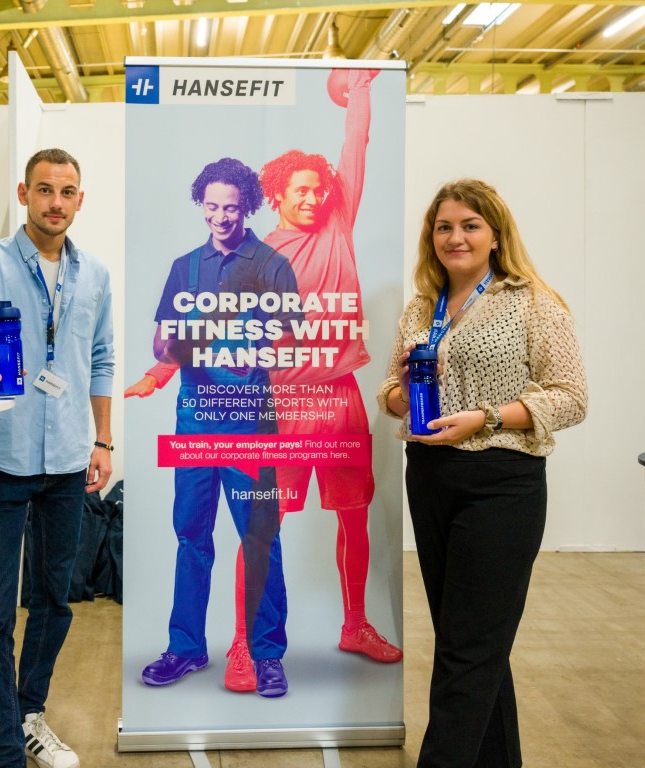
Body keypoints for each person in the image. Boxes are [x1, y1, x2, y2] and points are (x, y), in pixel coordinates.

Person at [377, 178, 587, 767]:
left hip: (501, 482)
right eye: (444, 227)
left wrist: (487, 417)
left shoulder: (532, 301)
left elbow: (571, 397)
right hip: (430, 476)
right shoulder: (423, 306)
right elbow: (390, 388)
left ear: (495, 235)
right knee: (469, 642)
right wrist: (402, 395)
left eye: (470, 225)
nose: (456, 237)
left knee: (467, 651)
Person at [223, 68, 401, 683]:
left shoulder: (338, 223)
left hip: (341, 396)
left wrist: (362, 89)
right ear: (277, 194)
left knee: (353, 514)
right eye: (301, 190)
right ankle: (244, 643)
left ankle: (355, 624)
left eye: (320, 190)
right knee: (263, 525)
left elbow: (356, 146)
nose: (314, 198)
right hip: (282, 404)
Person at [0, 148, 115, 768]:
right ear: (24, 194)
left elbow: (100, 358)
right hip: (2, 456)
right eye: (44, 190)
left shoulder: (94, 275)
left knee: (54, 601)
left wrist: (102, 440)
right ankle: (6, 748)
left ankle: (28, 712)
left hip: (67, 458)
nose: (55, 203)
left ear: (80, 200)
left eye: (66, 192)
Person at [126, 157, 298, 698]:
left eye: (231, 207)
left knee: (259, 536)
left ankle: (267, 656)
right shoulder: (185, 267)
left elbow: (289, 338)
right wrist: (170, 347)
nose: (220, 217)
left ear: (248, 206)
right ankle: (186, 647)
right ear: (201, 204)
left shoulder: (272, 264)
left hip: (250, 424)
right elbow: (163, 342)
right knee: (191, 537)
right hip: (194, 420)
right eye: (211, 206)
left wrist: (251, 347)